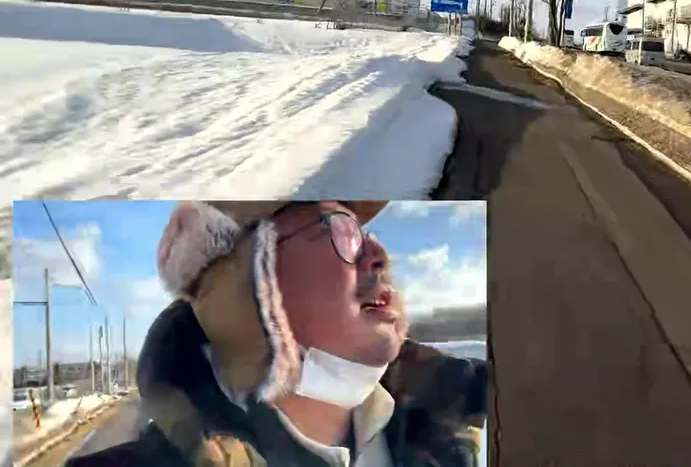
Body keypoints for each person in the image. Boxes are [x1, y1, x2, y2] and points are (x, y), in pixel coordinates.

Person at [67, 200, 488, 467]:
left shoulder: (462, 415)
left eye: (369, 237)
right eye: (344, 232)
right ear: (246, 290)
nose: (379, 256)